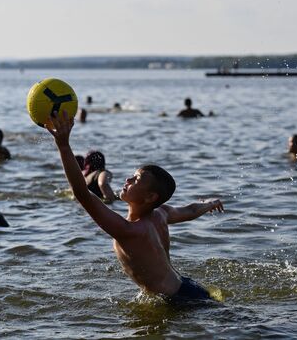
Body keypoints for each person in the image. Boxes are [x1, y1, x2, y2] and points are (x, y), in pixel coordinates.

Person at [46, 111, 224, 302]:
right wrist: (209, 204)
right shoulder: (161, 214)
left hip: (178, 300)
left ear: (150, 197)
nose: (128, 179)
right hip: (187, 287)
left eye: (136, 179)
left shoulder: (129, 230)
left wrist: (63, 146)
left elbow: (82, 194)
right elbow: (190, 210)